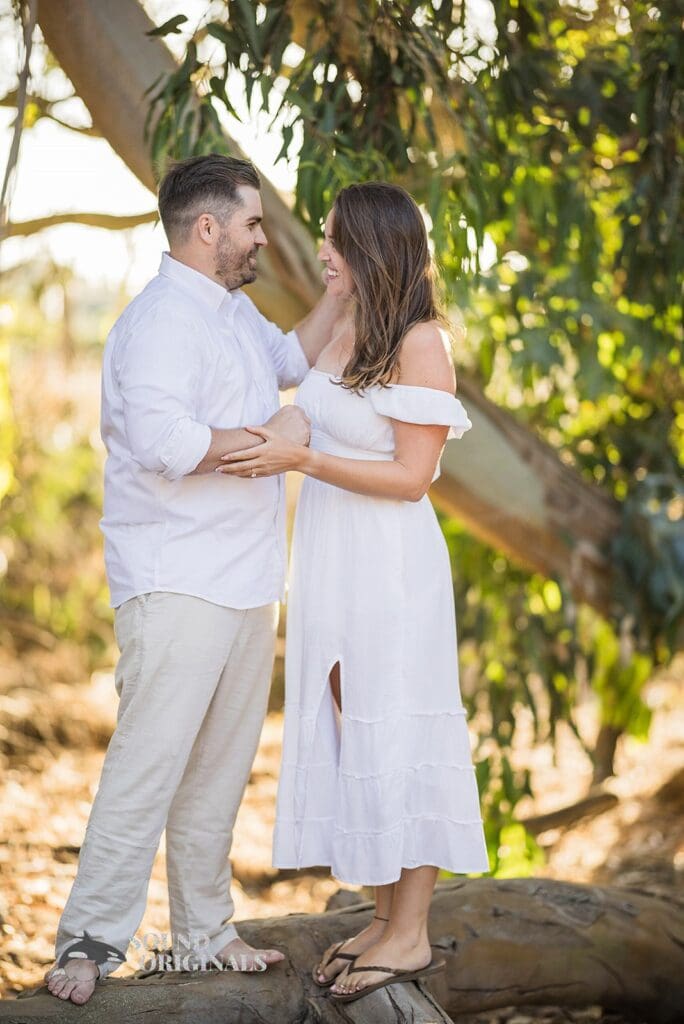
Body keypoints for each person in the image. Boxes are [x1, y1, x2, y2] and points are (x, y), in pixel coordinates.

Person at [44, 153, 342, 1006]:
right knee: (150, 764)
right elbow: (169, 446)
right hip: (176, 582)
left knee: (218, 769)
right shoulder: (158, 325)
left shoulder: (232, 312)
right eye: (251, 223)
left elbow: (290, 357)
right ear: (205, 228)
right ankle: (90, 942)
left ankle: (204, 931)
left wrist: (348, 288)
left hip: (248, 582)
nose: (260, 237)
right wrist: (275, 438)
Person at [218, 181, 490, 1003]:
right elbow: (311, 415)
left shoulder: (421, 342)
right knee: (356, 725)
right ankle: (382, 917)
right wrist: (275, 438)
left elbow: (411, 477)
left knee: (398, 728)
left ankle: (409, 935)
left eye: (334, 239)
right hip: (333, 561)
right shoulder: (346, 324)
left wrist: (301, 461)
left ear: (371, 246)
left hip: (391, 567)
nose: (322, 252)